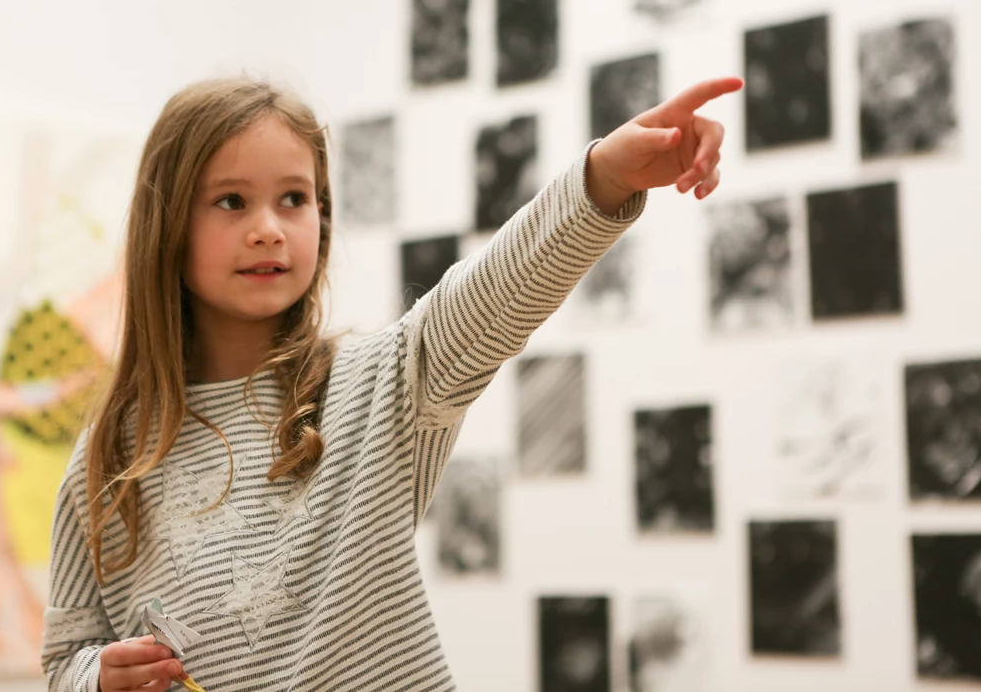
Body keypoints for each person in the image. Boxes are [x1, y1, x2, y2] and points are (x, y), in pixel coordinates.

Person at [41, 73, 743, 692]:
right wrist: (96, 679)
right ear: (167, 224)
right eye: (230, 201)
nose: (268, 229)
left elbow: (494, 291)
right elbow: (66, 656)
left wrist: (602, 179)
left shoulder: (376, 383)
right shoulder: (105, 461)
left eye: (294, 198)